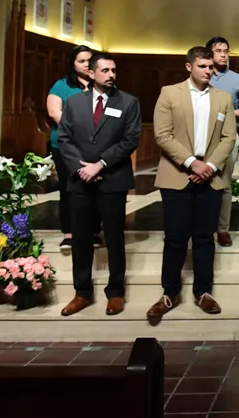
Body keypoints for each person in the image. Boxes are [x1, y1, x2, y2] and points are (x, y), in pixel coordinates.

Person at [146, 47, 237, 320]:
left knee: (204, 238)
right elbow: (163, 135)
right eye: (203, 66)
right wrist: (190, 162)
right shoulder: (169, 93)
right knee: (175, 238)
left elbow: (228, 137)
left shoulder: (223, 98)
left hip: (209, 177)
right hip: (178, 174)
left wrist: (208, 167)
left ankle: (203, 292)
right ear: (189, 67)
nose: (209, 71)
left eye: (211, 67)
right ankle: (169, 293)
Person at [56, 54, 141, 317]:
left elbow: (130, 140)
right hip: (80, 180)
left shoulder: (128, 102)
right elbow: (64, 138)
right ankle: (82, 293)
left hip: (113, 179)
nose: (111, 74)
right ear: (91, 74)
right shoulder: (73, 103)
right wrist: (81, 168)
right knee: (81, 239)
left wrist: (100, 164)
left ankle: (115, 292)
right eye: (105, 70)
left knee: (114, 237)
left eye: (114, 70)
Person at [46, 45, 101, 251]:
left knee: (95, 188)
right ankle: (69, 233)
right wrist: (79, 131)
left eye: (89, 60)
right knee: (69, 188)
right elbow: (54, 112)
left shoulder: (101, 84)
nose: (86, 64)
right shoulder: (62, 86)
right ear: (72, 64)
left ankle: (94, 232)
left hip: (95, 146)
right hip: (66, 145)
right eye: (81, 61)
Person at [207, 36, 239, 248]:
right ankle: (202, 226)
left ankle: (223, 229)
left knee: (224, 183)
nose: (223, 54)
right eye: (218, 51)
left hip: (227, 135)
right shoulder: (202, 76)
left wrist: (225, 112)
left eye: (226, 50)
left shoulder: (238, 80)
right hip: (201, 136)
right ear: (210, 53)